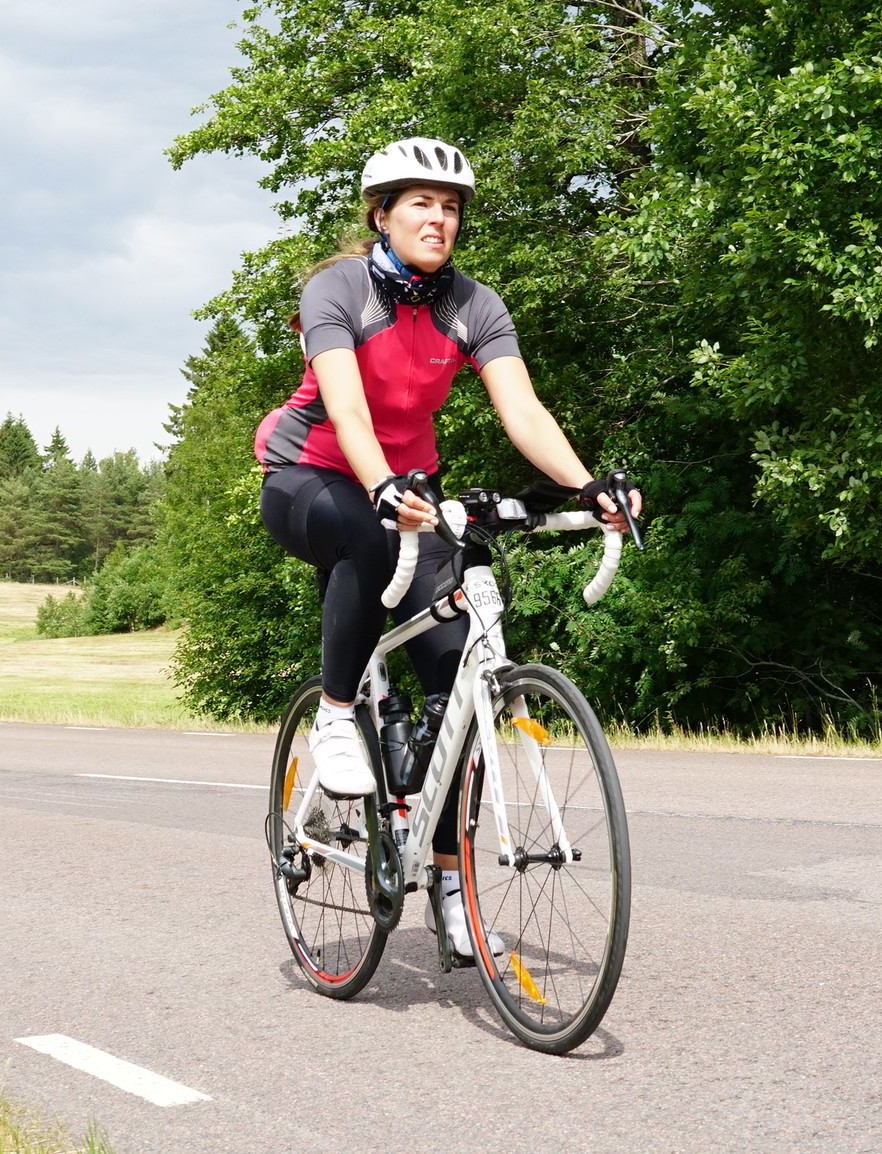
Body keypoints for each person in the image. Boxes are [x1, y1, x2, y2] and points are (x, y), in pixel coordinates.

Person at [255, 137, 638, 960]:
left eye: (451, 206)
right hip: (310, 474)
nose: (439, 218)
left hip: (407, 490)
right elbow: (348, 411)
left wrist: (587, 488)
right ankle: (335, 714)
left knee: (458, 671)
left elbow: (522, 412)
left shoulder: (473, 305)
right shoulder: (338, 289)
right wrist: (381, 485)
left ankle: (452, 889)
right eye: (421, 203)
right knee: (367, 531)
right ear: (382, 215)